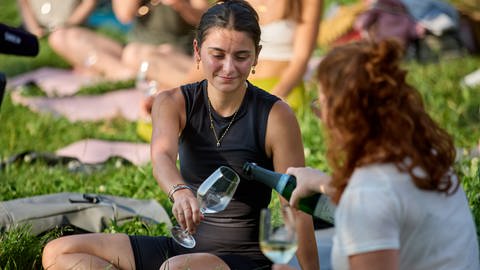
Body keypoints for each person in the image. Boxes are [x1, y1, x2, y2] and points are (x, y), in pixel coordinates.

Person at [41, 1, 319, 269]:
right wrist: (180, 190)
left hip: (242, 258)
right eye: (218, 55)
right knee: (59, 252)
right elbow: (162, 156)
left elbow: (295, 205)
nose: (229, 67)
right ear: (198, 51)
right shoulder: (173, 102)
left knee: (176, 269)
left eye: (241, 56)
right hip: (181, 247)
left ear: (256, 55)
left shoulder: (275, 115)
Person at [274, 39, 480, 270]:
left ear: (340, 115)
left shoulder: (369, 193)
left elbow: (375, 201)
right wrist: (327, 184)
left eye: (320, 107)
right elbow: (395, 202)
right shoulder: (425, 157)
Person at [137, 0, 323, 141]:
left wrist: (272, 100)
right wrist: (176, 95)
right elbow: (210, 60)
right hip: (231, 83)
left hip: (281, 87)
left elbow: (300, 60)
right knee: (161, 116)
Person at [47, 0, 209, 81]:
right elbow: (124, 15)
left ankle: (130, 74)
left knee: (134, 55)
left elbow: (205, 19)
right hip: (131, 49)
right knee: (60, 37)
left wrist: (179, 4)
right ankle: (130, 76)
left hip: (174, 51)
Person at [17, 0, 97, 38]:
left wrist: (69, 24)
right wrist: (33, 28)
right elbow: (23, 2)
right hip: (33, 28)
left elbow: (89, 3)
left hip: (70, 29)